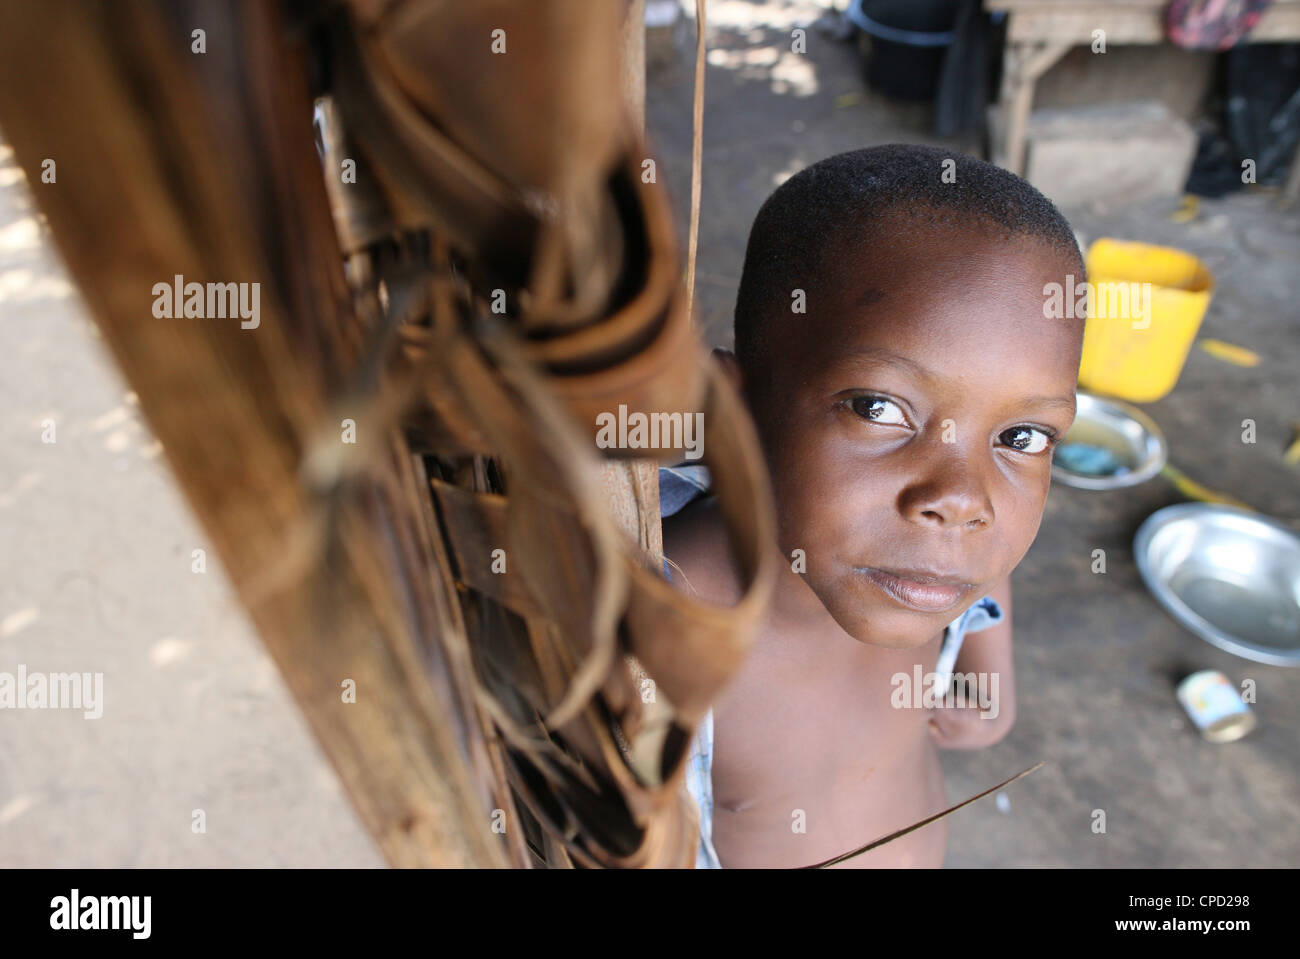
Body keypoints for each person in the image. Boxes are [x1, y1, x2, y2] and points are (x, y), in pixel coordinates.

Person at [661, 144, 1085, 868]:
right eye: (878, 406)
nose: (960, 499)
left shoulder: (941, 551)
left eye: (1021, 435)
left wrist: (986, 677)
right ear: (735, 410)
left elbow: (988, 563)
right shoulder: (669, 615)